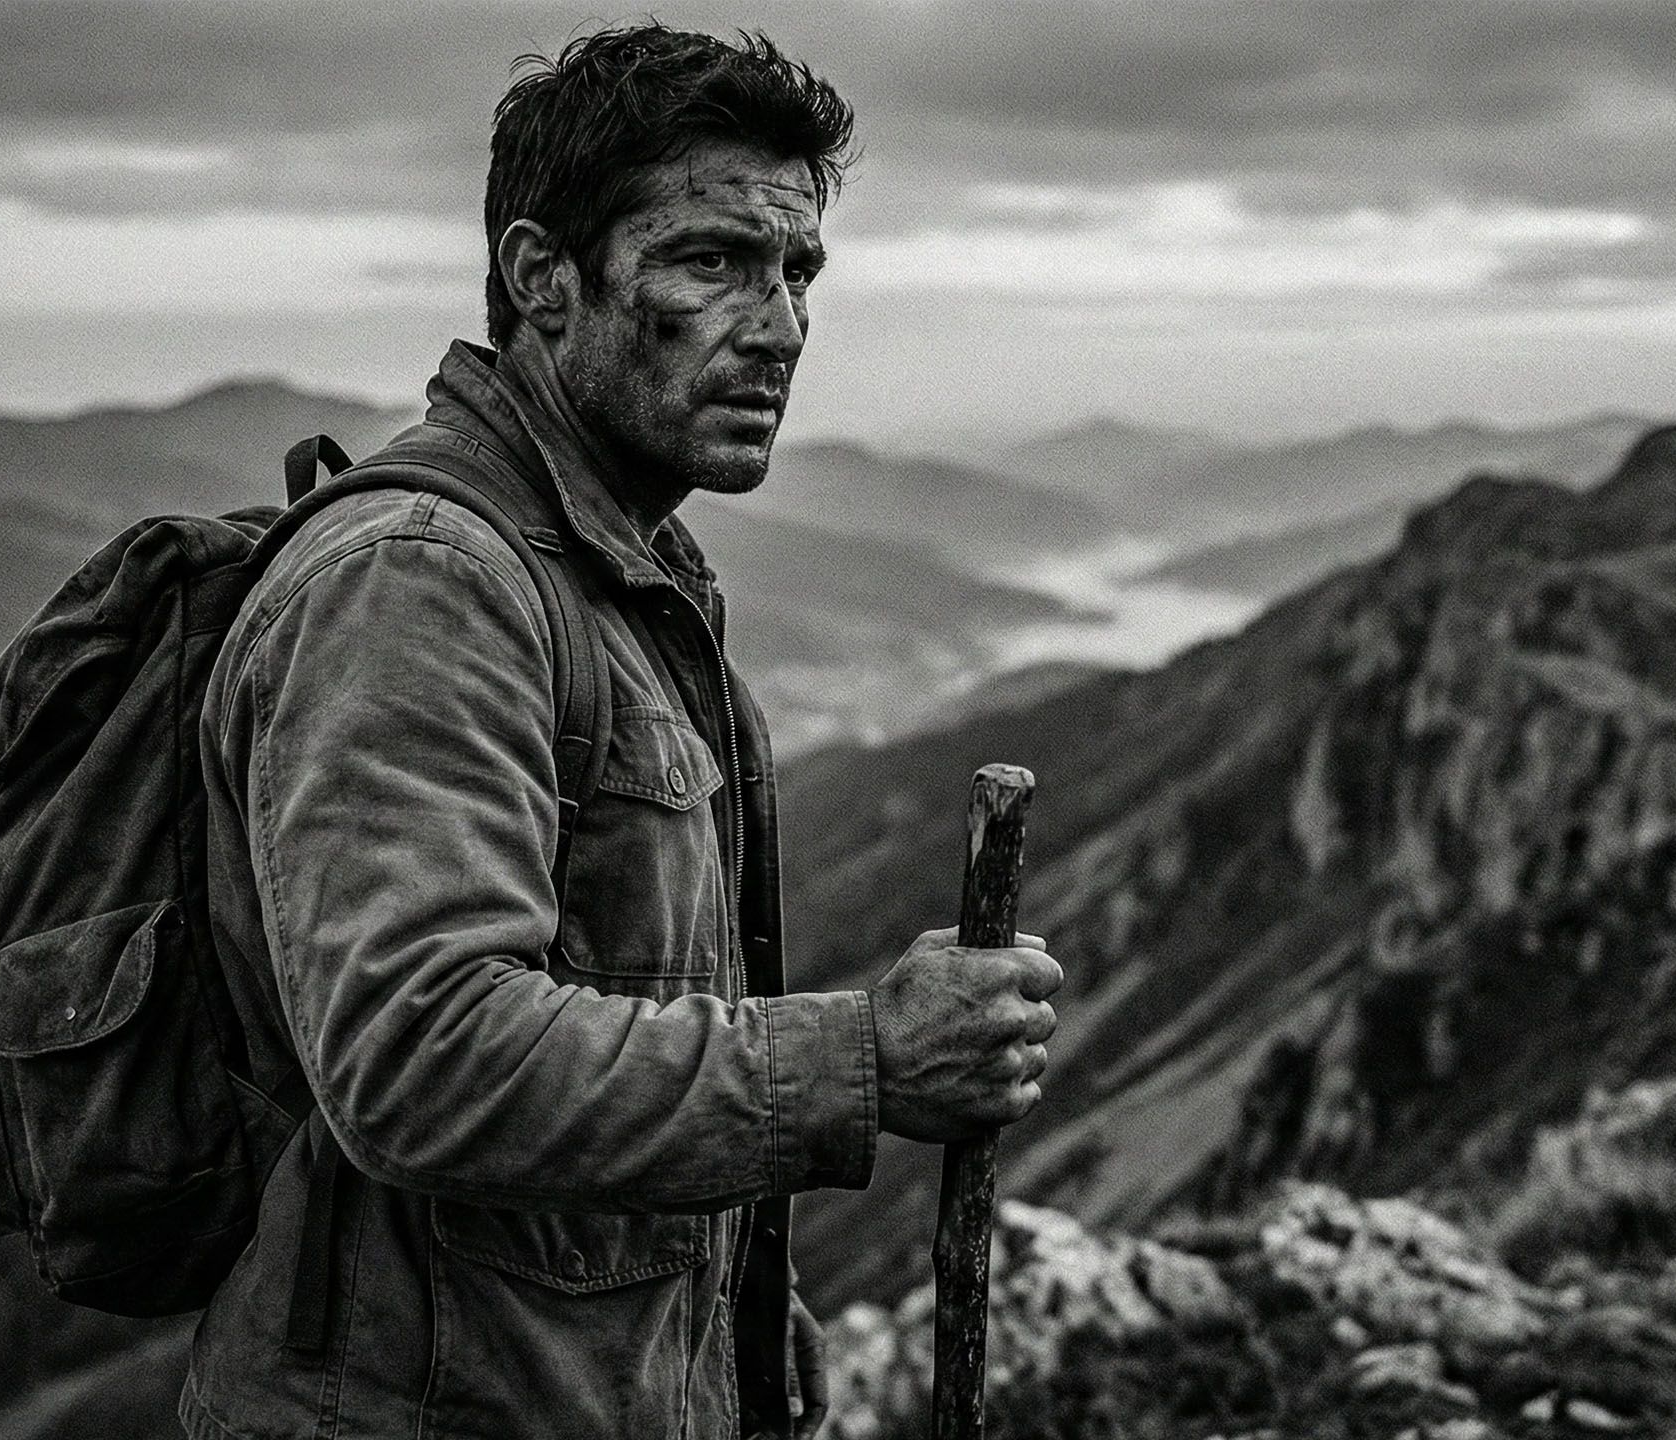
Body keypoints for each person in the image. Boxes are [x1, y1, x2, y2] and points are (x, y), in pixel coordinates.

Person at [181, 24, 1063, 1440]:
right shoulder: (421, 581)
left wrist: (728, 1315)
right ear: (544, 276)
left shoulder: (623, 580)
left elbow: (623, 1010)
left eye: (797, 273)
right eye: (711, 262)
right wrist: (868, 1062)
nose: (779, 327)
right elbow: (422, 1057)